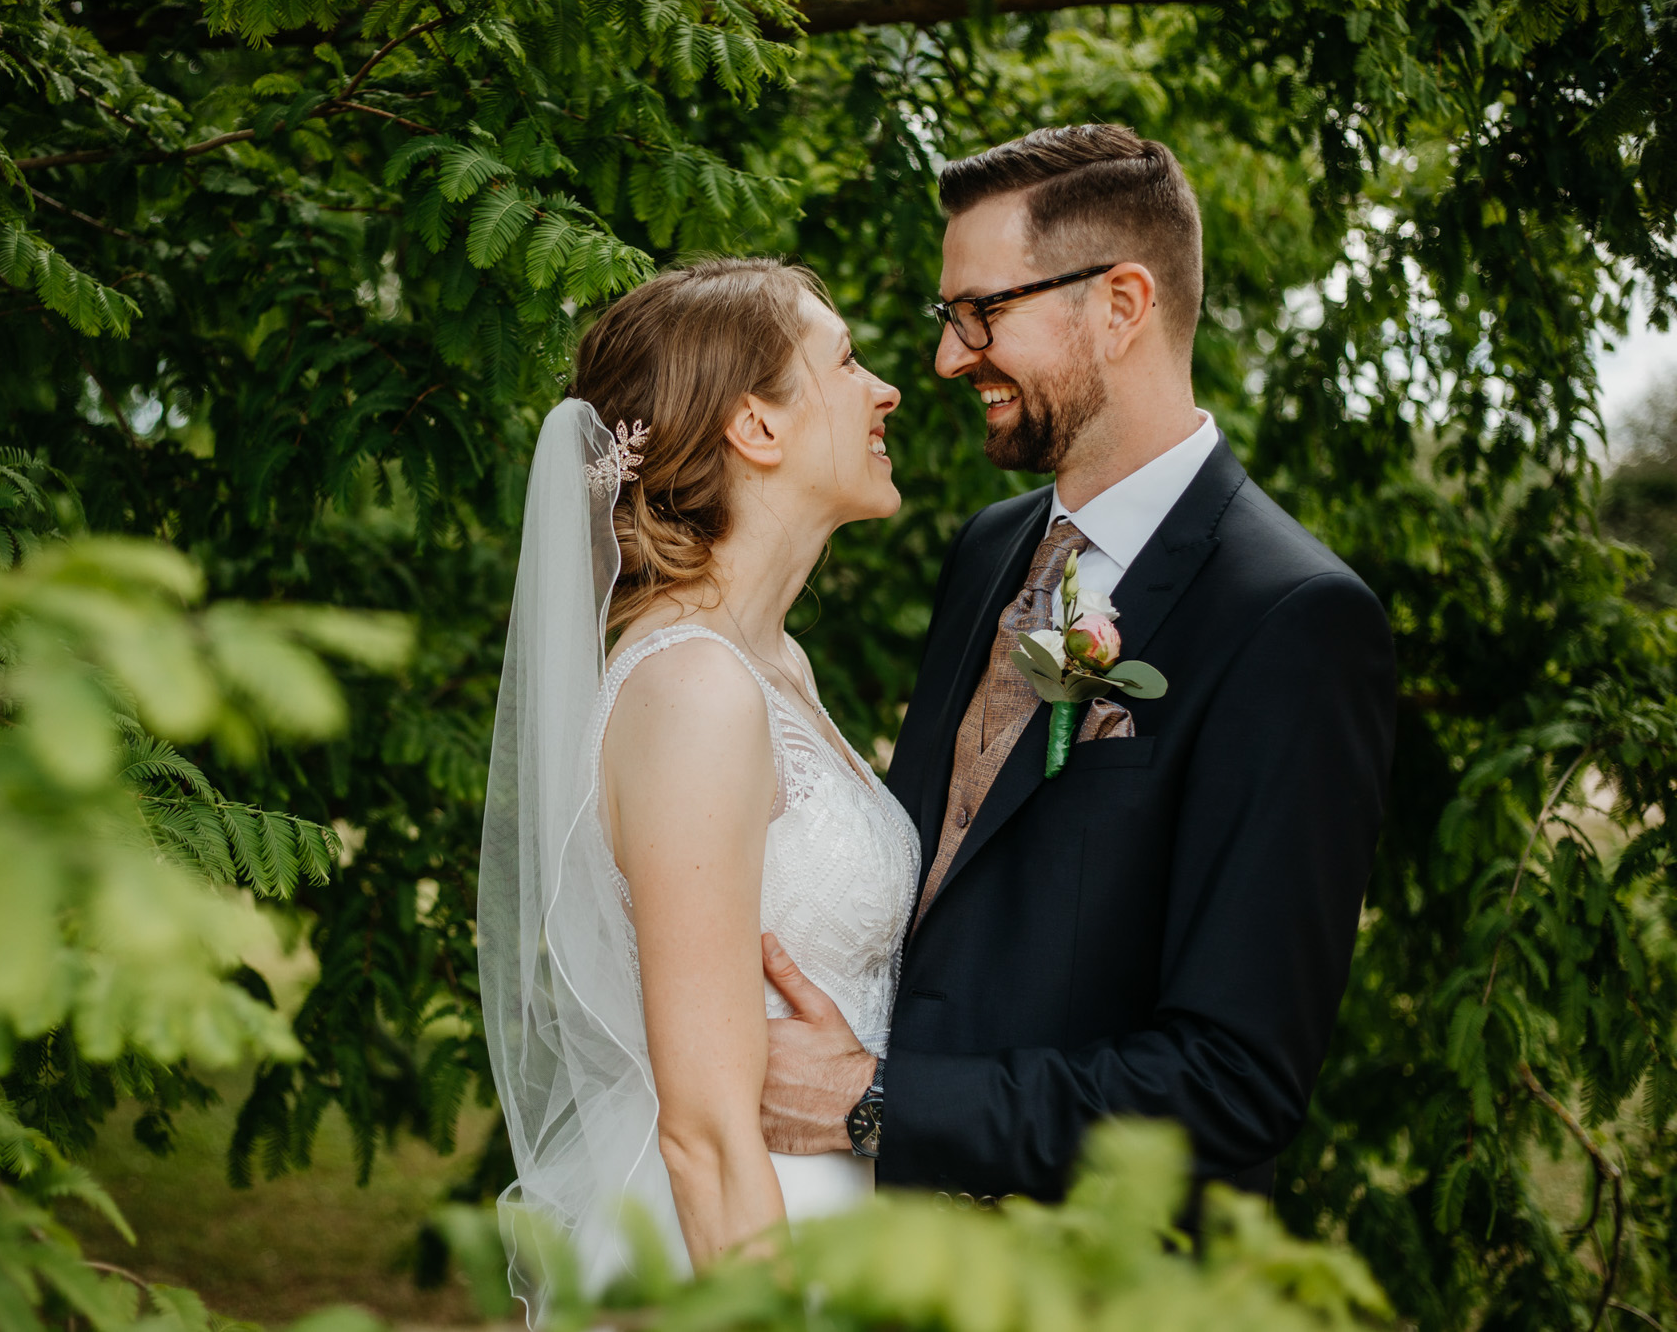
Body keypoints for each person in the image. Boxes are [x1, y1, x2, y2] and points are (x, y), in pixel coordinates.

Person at [756, 125, 1397, 1204]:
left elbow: (1233, 1084)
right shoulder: (988, 549)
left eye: (982, 313)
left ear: (1121, 304)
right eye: (945, 315)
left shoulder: (1293, 618)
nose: (947, 358)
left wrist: (880, 1103)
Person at [477, 258, 918, 1318]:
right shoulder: (692, 690)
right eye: (846, 362)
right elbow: (705, 1130)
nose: (884, 389)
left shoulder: (777, 667)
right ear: (754, 429)